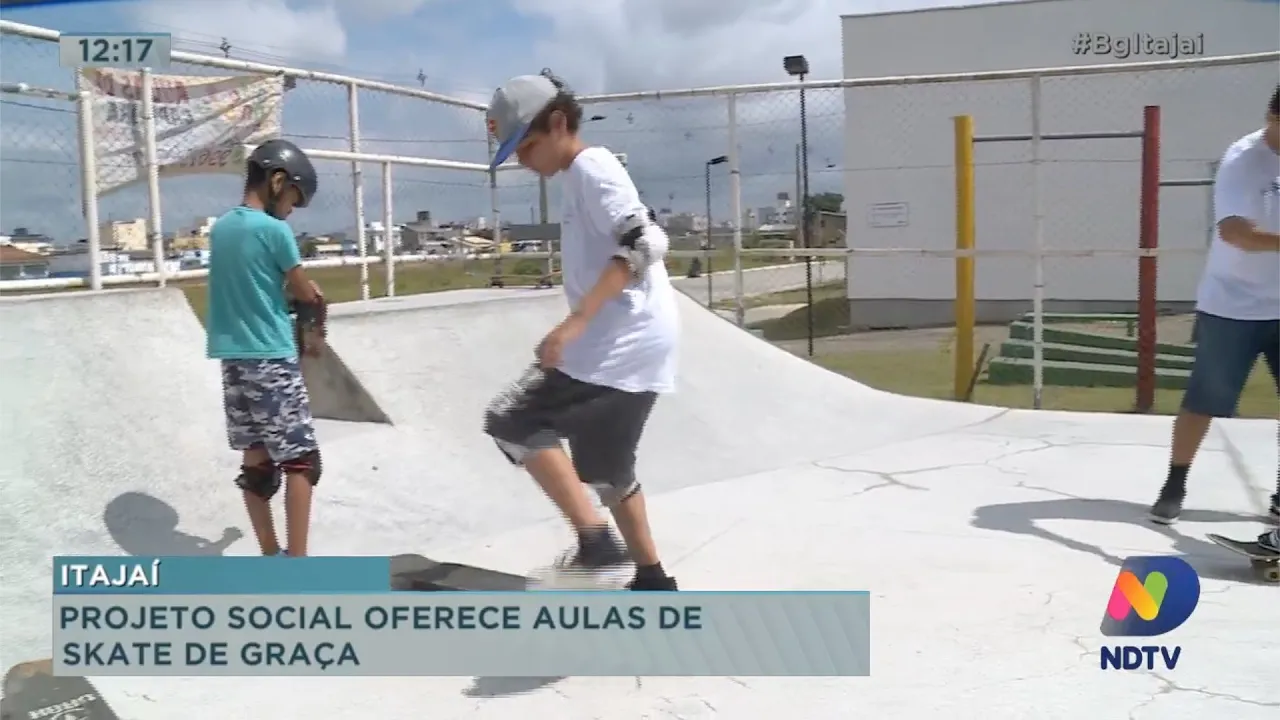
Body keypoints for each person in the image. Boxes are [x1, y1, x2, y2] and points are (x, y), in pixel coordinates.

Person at [481, 71, 680, 591]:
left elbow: (644, 245)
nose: (523, 162)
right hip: (644, 344)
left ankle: (595, 543)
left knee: (510, 419)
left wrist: (575, 323)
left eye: (526, 147)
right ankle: (653, 580)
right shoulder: (579, 178)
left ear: (559, 123)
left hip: (617, 341)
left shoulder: (592, 167)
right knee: (607, 469)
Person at [1149, 85, 1280, 553]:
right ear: (1272, 115)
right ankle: (1174, 485)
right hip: (1234, 306)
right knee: (1205, 399)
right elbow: (1235, 233)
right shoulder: (1244, 161)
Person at [206, 138, 326, 558]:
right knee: (301, 463)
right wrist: (313, 305)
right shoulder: (276, 231)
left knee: (256, 466)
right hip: (271, 358)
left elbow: (248, 284)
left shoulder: (220, 229)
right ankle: (298, 565)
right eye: (294, 197)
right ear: (277, 182)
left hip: (232, 361)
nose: (292, 209)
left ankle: (270, 554)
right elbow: (303, 292)